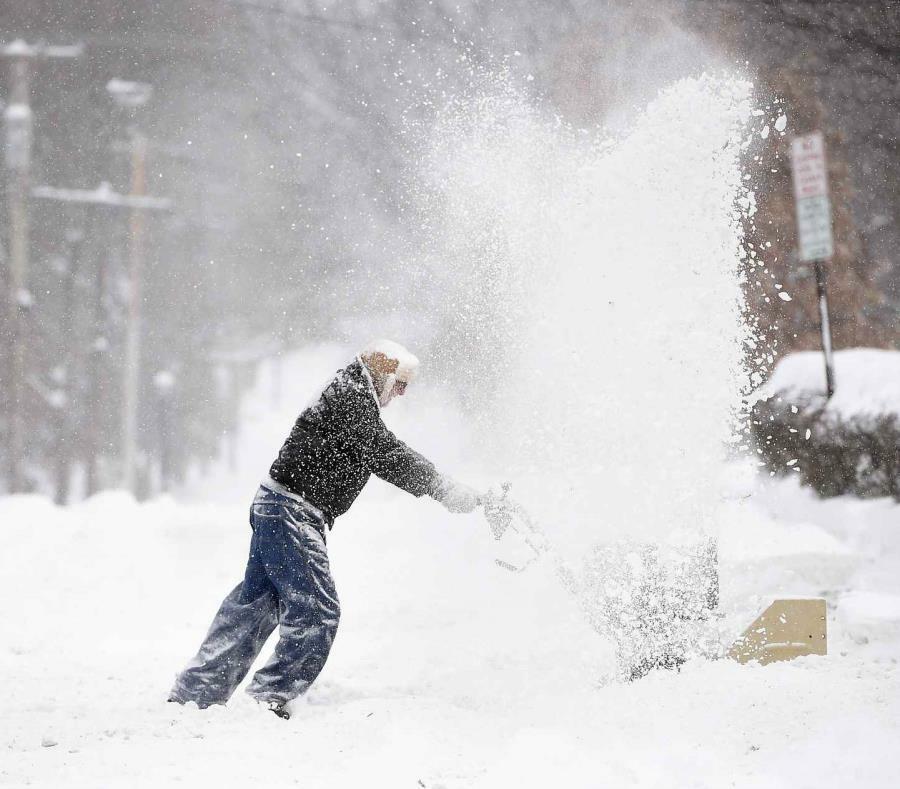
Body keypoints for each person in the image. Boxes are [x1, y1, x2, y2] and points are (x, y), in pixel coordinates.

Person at [168, 340, 480, 719]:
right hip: (292, 509)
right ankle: (271, 697)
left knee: (257, 604)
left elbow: (380, 448)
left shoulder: (350, 394)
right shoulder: (351, 397)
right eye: (399, 383)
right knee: (317, 610)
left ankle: (198, 692)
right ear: (383, 372)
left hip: (278, 504)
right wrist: (443, 488)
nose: (401, 393)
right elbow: (386, 453)